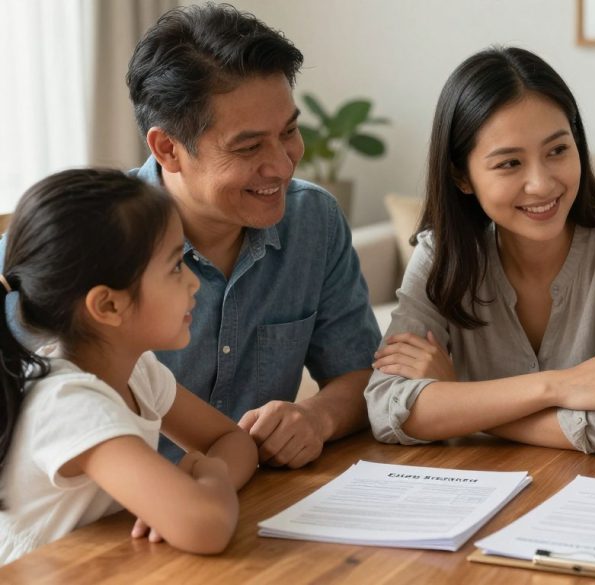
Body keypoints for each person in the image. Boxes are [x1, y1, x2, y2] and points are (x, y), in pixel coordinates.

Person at [365, 47, 595, 455]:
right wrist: (558, 386)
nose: (542, 184)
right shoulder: (441, 255)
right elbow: (386, 408)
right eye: (510, 163)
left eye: (558, 150)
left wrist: (458, 393)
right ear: (462, 176)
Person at [124, 3, 380, 467]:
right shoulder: (83, 239)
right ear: (168, 149)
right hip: (112, 519)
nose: (282, 165)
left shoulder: (312, 221)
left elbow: (362, 376)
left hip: (253, 499)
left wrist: (315, 418)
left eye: (289, 132)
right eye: (248, 147)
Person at [0, 169, 257, 564]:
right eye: (175, 266)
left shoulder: (137, 372)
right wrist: (210, 479)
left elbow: (233, 441)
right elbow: (205, 525)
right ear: (108, 306)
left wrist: (202, 483)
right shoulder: (68, 402)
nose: (194, 283)